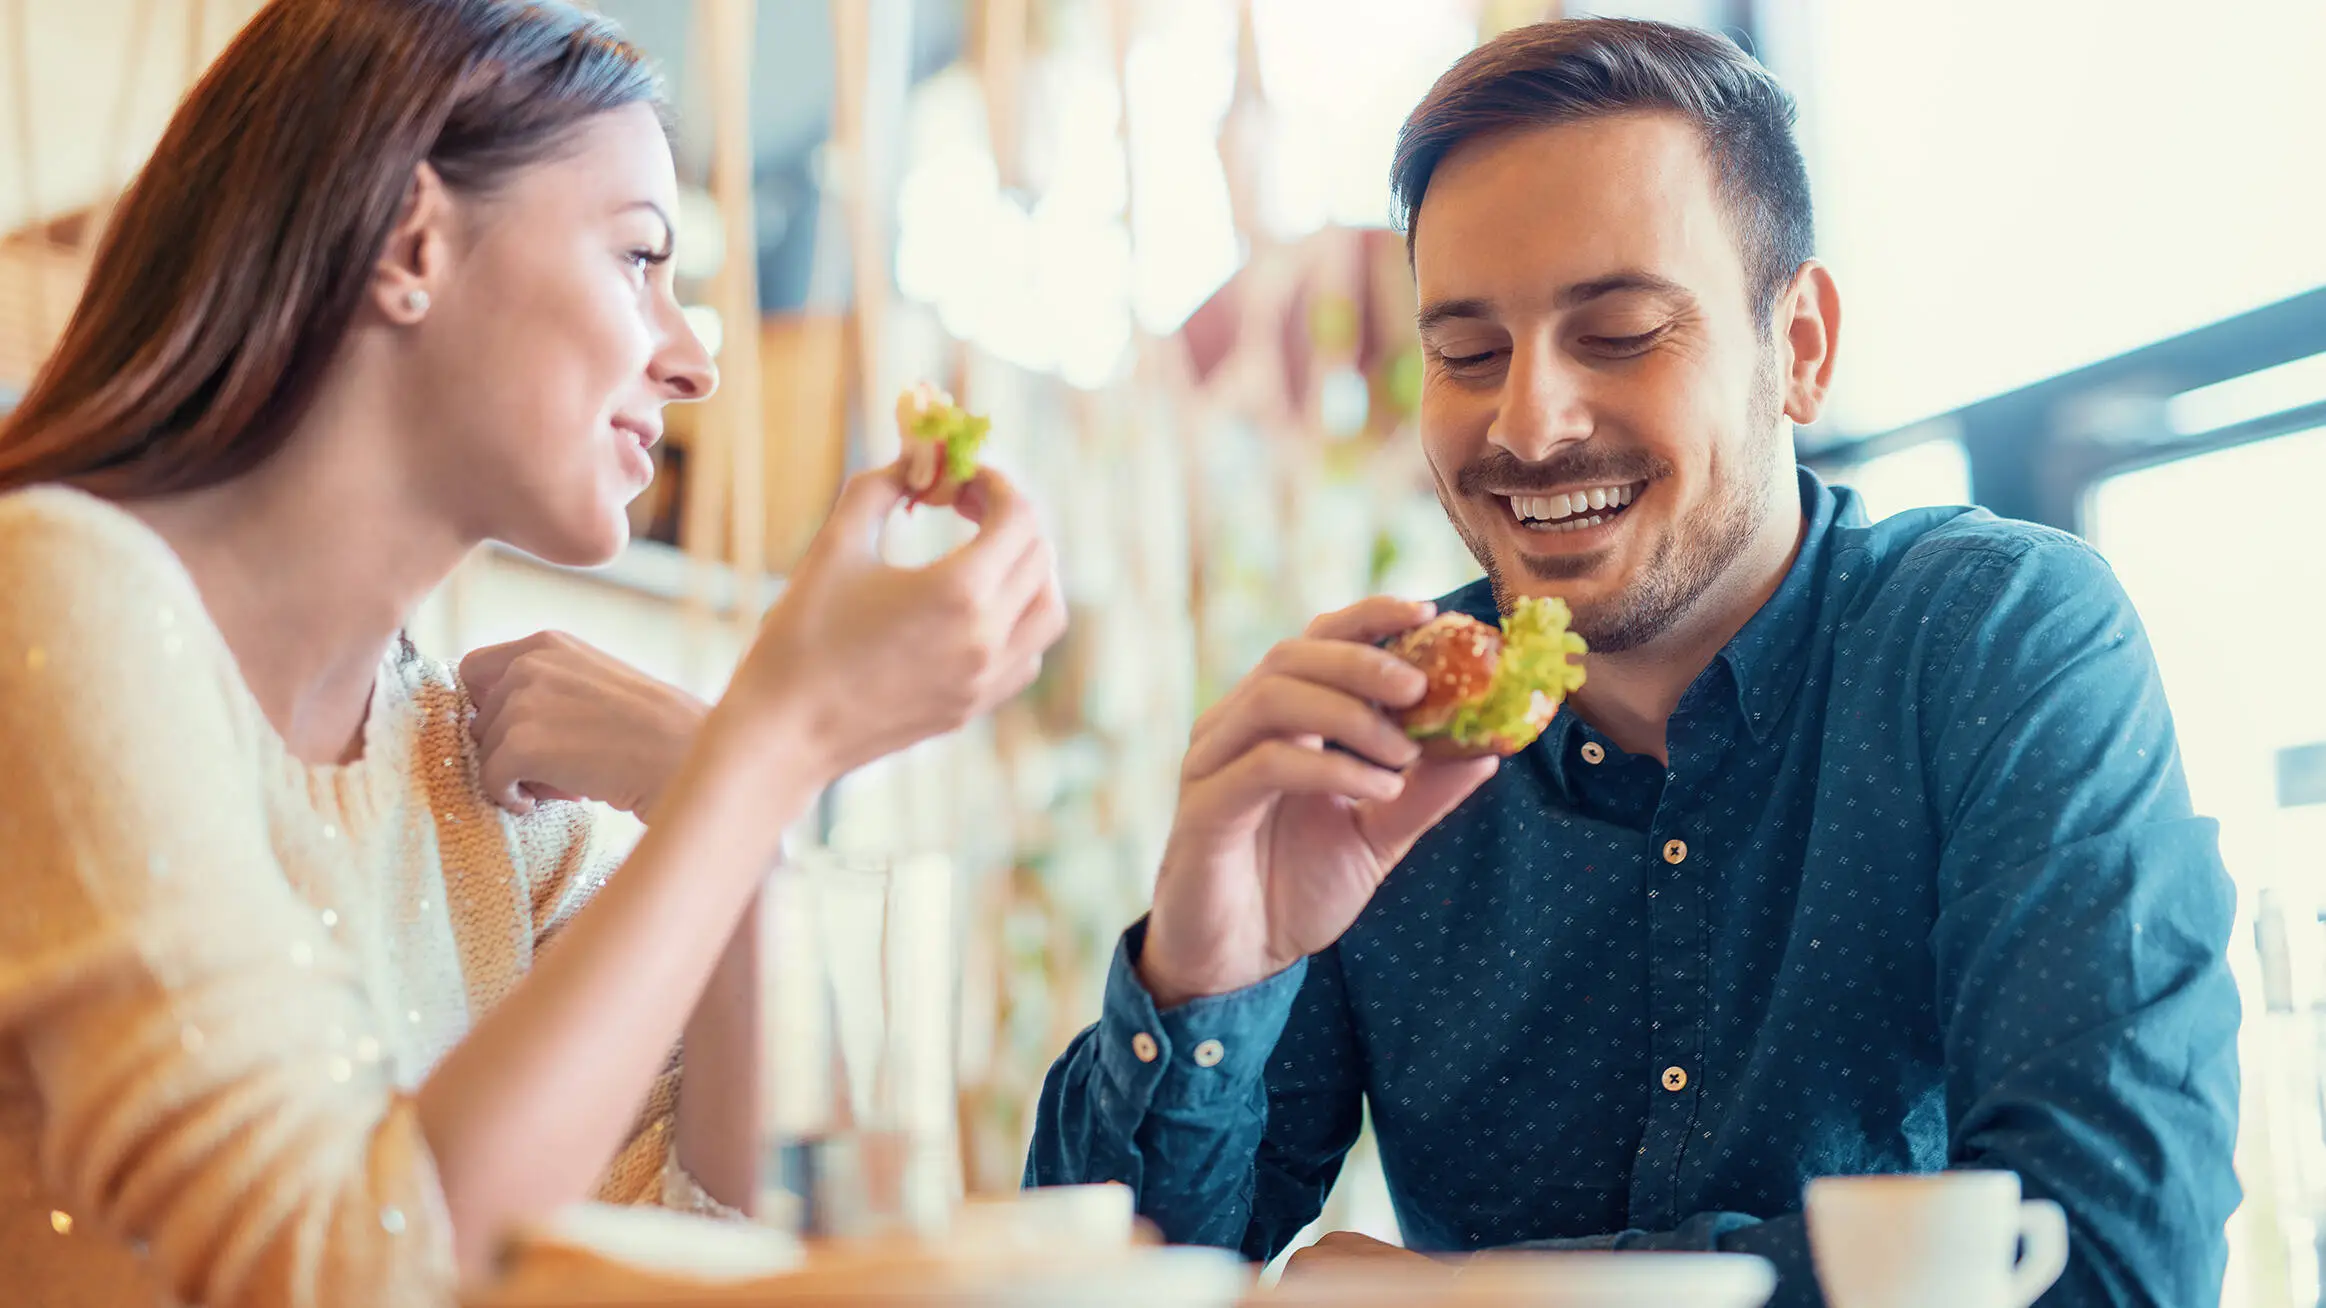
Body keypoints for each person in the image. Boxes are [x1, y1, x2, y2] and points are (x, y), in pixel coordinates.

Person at [1023, 17, 2239, 1307]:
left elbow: (2110, 1254)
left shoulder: (1998, 643)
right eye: (1467, 354)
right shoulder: (1374, 744)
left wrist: (1463, 1295)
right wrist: (1208, 975)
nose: (1527, 423)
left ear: (1803, 348)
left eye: (1618, 332)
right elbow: (1102, 1287)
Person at [0, 3, 1063, 1306]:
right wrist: (770, 745)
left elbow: (707, 1253)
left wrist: (726, 804)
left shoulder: (481, 789)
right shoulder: (51, 593)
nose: (693, 364)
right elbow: (340, 1270)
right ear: (411, 241)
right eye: (639, 260)